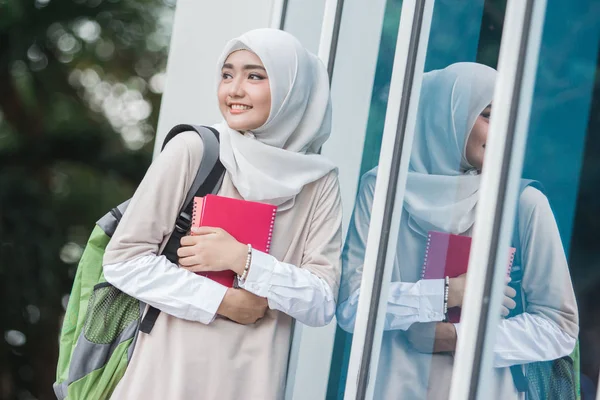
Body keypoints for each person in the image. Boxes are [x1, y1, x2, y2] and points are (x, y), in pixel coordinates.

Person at [102, 28, 343, 400]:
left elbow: (322, 302)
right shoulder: (194, 150)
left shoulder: (318, 181)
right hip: (165, 378)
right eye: (227, 74)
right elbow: (123, 260)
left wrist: (244, 260)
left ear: (292, 89)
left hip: (252, 382)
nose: (234, 90)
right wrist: (224, 302)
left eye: (255, 76)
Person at [336, 62, 579, 399]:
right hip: (389, 387)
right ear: (444, 117)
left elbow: (559, 329)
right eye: (489, 116)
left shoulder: (523, 204)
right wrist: (449, 293)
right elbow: (350, 308)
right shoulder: (383, 191)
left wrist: (454, 337)